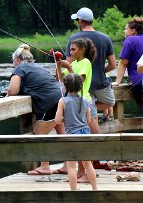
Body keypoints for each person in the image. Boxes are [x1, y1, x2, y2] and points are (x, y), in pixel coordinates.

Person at [6, 43, 64, 175]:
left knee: (39, 131)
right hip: (62, 97)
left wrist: (8, 94)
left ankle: (44, 166)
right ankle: (68, 164)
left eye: (13, 60)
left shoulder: (19, 69)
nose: (12, 62)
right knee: (62, 131)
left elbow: (12, 90)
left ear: (19, 60)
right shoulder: (38, 67)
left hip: (50, 102)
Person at [66, 7, 116, 133]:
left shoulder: (73, 38)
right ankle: (90, 107)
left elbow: (68, 63)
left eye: (77, 20)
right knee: (110, 102)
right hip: (100, 83)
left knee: (90, 108)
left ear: (81, 21)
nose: (77, 22)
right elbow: (113, 65)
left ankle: (90, 107)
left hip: (82, 85)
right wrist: (101, 71)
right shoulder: (105, 38)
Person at [56, 37, 97, 182]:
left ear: (82, 50)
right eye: (70, 49)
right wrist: (59, 66)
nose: (70, 52)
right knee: (78, 140)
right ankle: (79, 174)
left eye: (73, 49)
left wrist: (68, 68)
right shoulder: (73, 62)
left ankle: (86, 174)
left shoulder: (85, 62)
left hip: (83, 102)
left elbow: (78, 81)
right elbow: (63, 80)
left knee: (84, 141)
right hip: (73, 103)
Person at [55, 73, 98, 191]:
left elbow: (57, 120)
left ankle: (74, 192)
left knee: (71, 166)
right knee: (88, 164)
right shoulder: (85, 100)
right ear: (80, 86)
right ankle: (95, 190)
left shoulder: (63, 101)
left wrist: (66, 117)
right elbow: (89, 120)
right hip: (85, 134)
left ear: (65, 86)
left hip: (71, 136)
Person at [112, 17, 143, 130]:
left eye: (126, 29)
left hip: (139, 83)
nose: (124, 31)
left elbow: (123, 63)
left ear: (133, 31)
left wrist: (117, 81)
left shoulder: (130, 40)